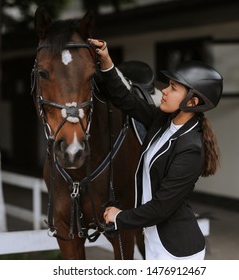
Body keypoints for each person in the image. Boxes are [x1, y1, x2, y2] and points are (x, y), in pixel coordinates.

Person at [88, 39, 223, 260]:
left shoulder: (191, 149)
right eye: (167, 85)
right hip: (154, 241)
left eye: (173, 88)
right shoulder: (163, 120)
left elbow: (161, 207)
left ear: (193, 101)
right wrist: (106, 61)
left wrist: (120, 217)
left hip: (176, 250)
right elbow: (126, 100)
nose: (164, 91)